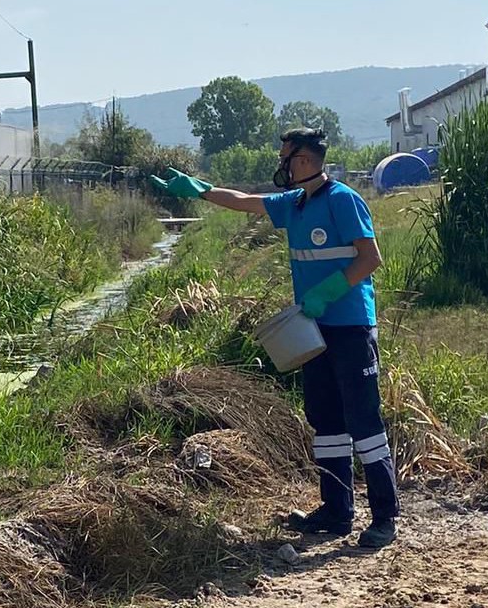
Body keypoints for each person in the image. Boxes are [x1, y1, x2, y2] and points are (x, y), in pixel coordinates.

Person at [151, 128, 399, 548]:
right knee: (325, 421)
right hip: (313, 328)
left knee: (364, 421)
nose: (281, 164)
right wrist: (200, 190)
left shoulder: (342, 200)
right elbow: (246, 202)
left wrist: (329, 292)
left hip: (351, 326)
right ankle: (337, 512)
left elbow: (370, 257)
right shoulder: (295, 204)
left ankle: (384, 517)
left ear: (304, 160)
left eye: (286, 157)